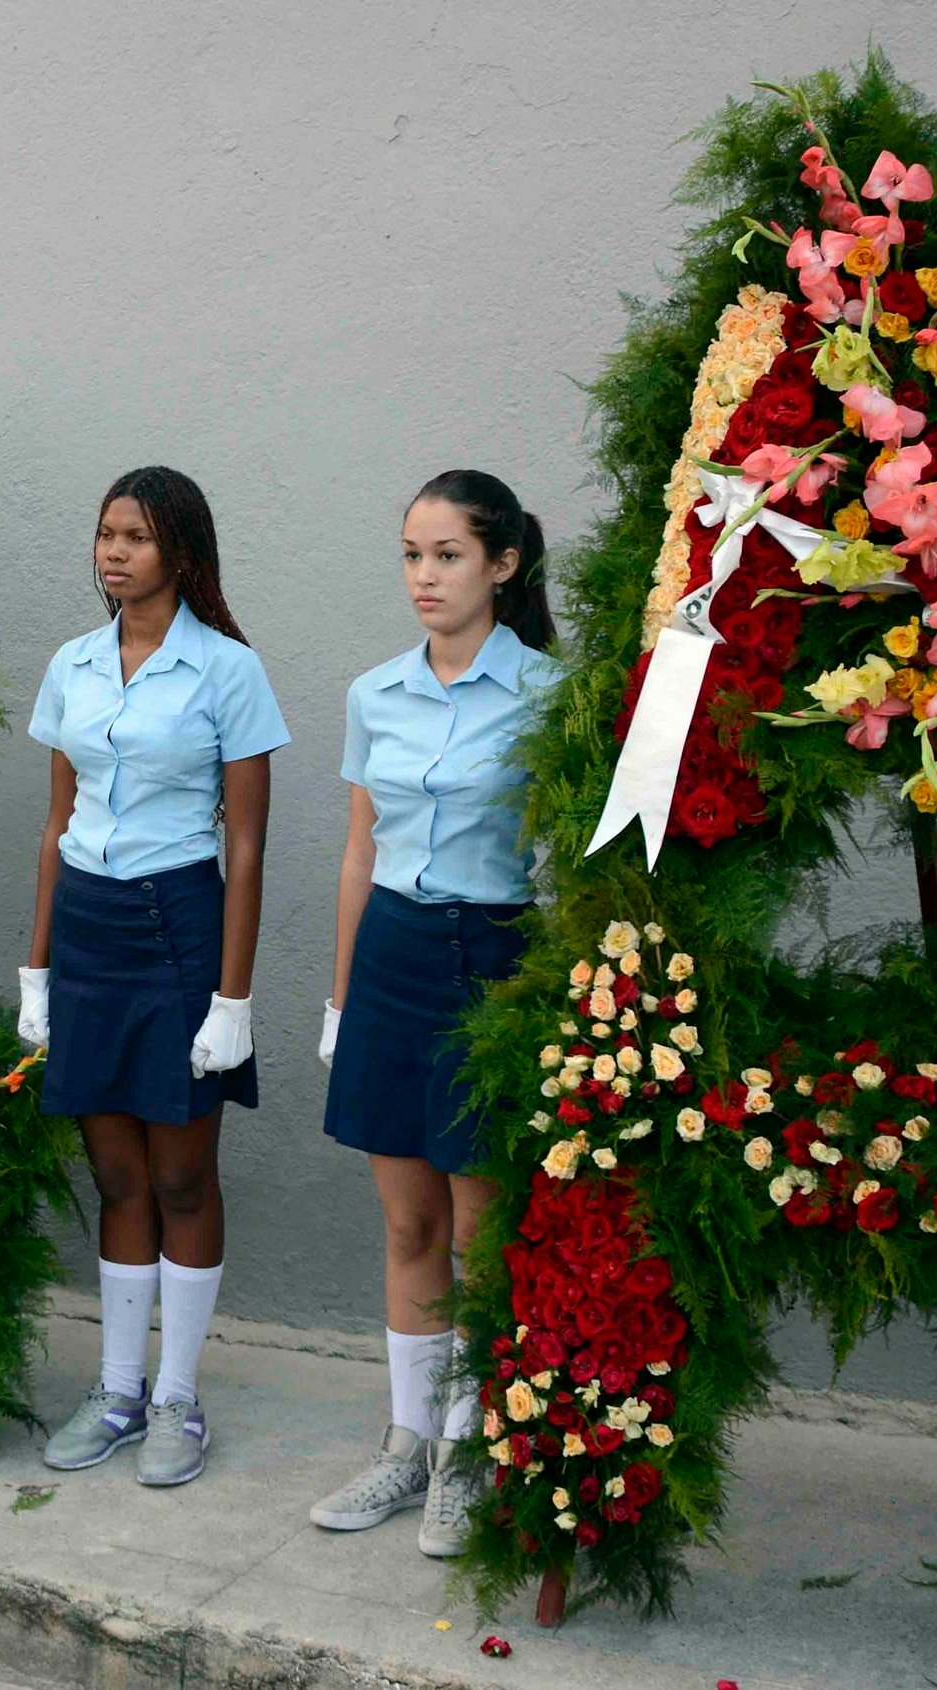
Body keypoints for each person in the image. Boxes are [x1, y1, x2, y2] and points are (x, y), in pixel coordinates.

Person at [307, 469, 562, 1558]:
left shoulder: (552, 695)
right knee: (408, 1223)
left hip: (494, 961)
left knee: (478, 1230)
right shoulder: (376, 692)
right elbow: (359, 850)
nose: (425, 575)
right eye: (412, 554)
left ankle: (471, 1450)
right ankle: (407, 1442)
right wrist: (340, 997)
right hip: (394, 959)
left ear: (503, 564)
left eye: (448, 554)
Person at [21, 466, 288, 1488]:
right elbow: (57, 823)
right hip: (89, 930)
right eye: (106, 534)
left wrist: (234, 998)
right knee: (118, 1177)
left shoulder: (227, 670)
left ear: (180, 549)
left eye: (135, 536)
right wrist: (37, 969)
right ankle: (119, 1390)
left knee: (181, 1175)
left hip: (179, 925)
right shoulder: (74, 664)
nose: (115, 552)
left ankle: (177, 1395)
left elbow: (247, 846)